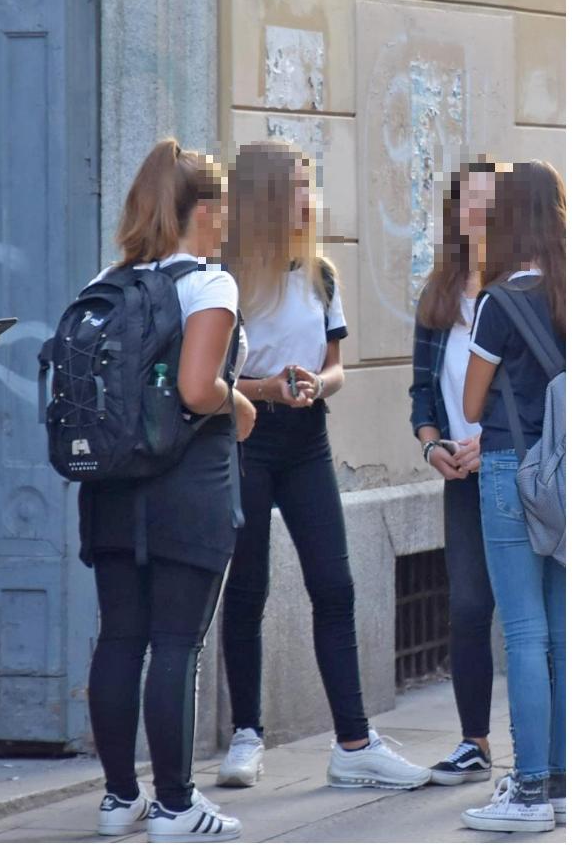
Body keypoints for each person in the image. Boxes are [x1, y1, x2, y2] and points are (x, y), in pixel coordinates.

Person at [214, 141, 430, 791]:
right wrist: (267, 390)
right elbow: (211, 380)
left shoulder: (320, 272)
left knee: (334, 587)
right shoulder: (224, 276)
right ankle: (245, 734)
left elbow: (337, 366)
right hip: (246, 436)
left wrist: (315, 383)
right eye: (299, 187)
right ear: (265, 197)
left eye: (311, 185)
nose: (310, 199)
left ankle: (354, 743)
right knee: (247, 589)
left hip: (307, 438)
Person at [82, 138, 255, 842]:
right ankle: (179, 806)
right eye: (224, 210)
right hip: (188, 486)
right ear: (205, 212)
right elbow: (196, 387)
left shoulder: (105, 281)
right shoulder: (210, 285)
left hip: (113, 486)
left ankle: (120, 798)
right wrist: (241, 405)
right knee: (176, 643)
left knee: (120, 637)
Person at [459, 159, 566, 834]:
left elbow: (471, 403)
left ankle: (527, 790)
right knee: (562, 632)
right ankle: (559, 782)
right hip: (568, 476)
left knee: (524, 633)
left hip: (510, 469)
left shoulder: (500, 302)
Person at [408, 159, 500, 785]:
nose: (478, 214)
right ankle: (475, 742)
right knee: (467, 607)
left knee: (532, 614)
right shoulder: (438, 294)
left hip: (514, 471)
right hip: (460, 480)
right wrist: (432, 445)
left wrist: (488, 441)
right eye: (468, 202)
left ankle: (548, 749)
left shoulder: (526, 288)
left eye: (488, 202)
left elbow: (536, 389)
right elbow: (420, 390)